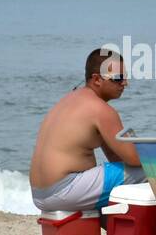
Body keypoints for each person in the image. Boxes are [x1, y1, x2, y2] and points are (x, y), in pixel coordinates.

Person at [30, 46, 146, 213]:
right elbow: (135, 160)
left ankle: (114, 228)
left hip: (40, 194)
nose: (125, 83)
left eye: (126, 77)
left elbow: (116, 156)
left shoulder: (70, 99)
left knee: (124, 174)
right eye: (118, 78)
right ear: (97, 79)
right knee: (150, 171)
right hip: (64, 191)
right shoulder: (101, 110)